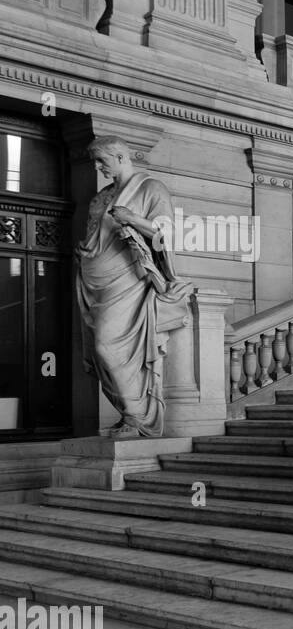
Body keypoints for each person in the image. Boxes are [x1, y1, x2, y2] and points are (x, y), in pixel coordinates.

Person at [76, 136, 189, 438]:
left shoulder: (151, 188)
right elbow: (93, 236)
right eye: (97, 162)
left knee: (107, 345)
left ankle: (139, 416)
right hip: (94, 279)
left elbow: (165, 235)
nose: (98, 167)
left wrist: (133, 219)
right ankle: (128, 414)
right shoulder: (100, 197)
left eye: (103, 161)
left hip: (128, 279)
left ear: (122, 157)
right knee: (100, 352)